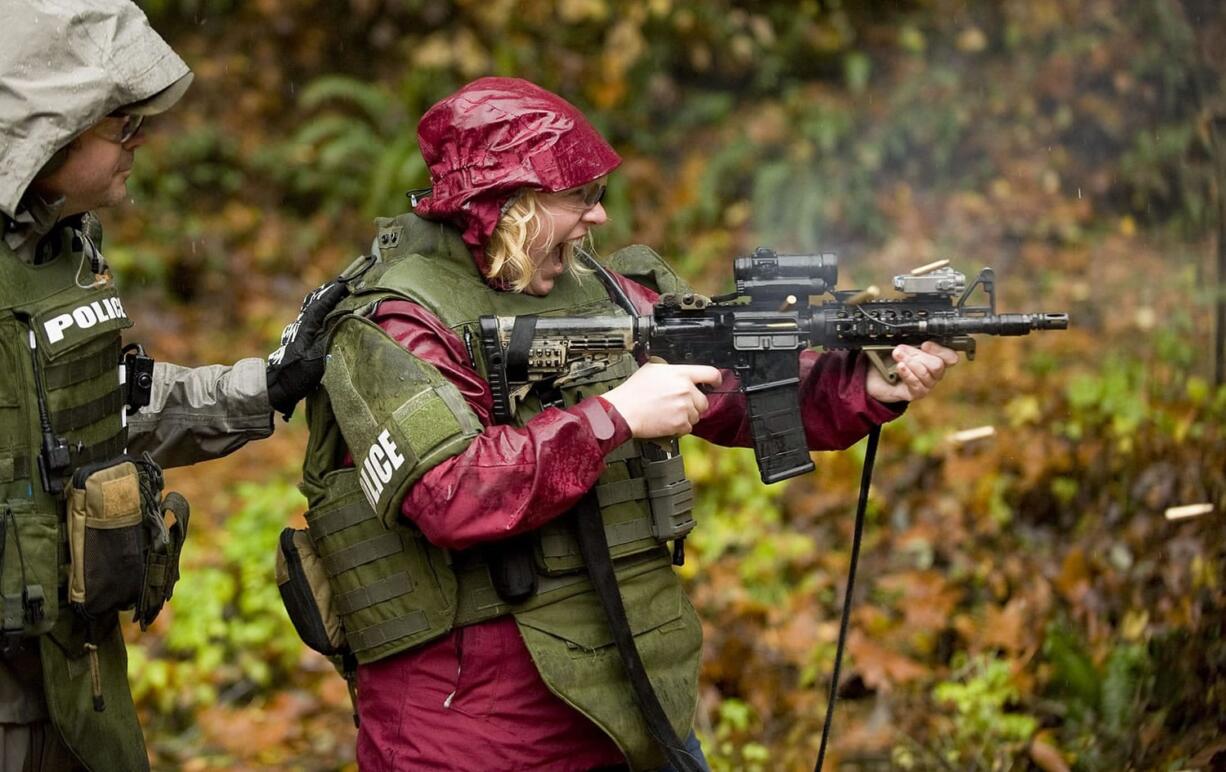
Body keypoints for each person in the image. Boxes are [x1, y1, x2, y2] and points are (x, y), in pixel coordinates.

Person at [300, 76, 958, 771]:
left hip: (625, 685)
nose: (600, 218)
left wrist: (867, 383)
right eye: (579, 197)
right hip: (469, 723)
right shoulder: (394, 321)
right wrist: (614, 417)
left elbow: (737, 386)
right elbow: (452, 491)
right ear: (509, 205)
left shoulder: (604, 288)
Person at [0, 1, 344, 769]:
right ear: (45, 128)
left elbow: (108, 406)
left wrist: (268, 386)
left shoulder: (62, 248)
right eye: (120, 125)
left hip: (75, 672)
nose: (140, 140)